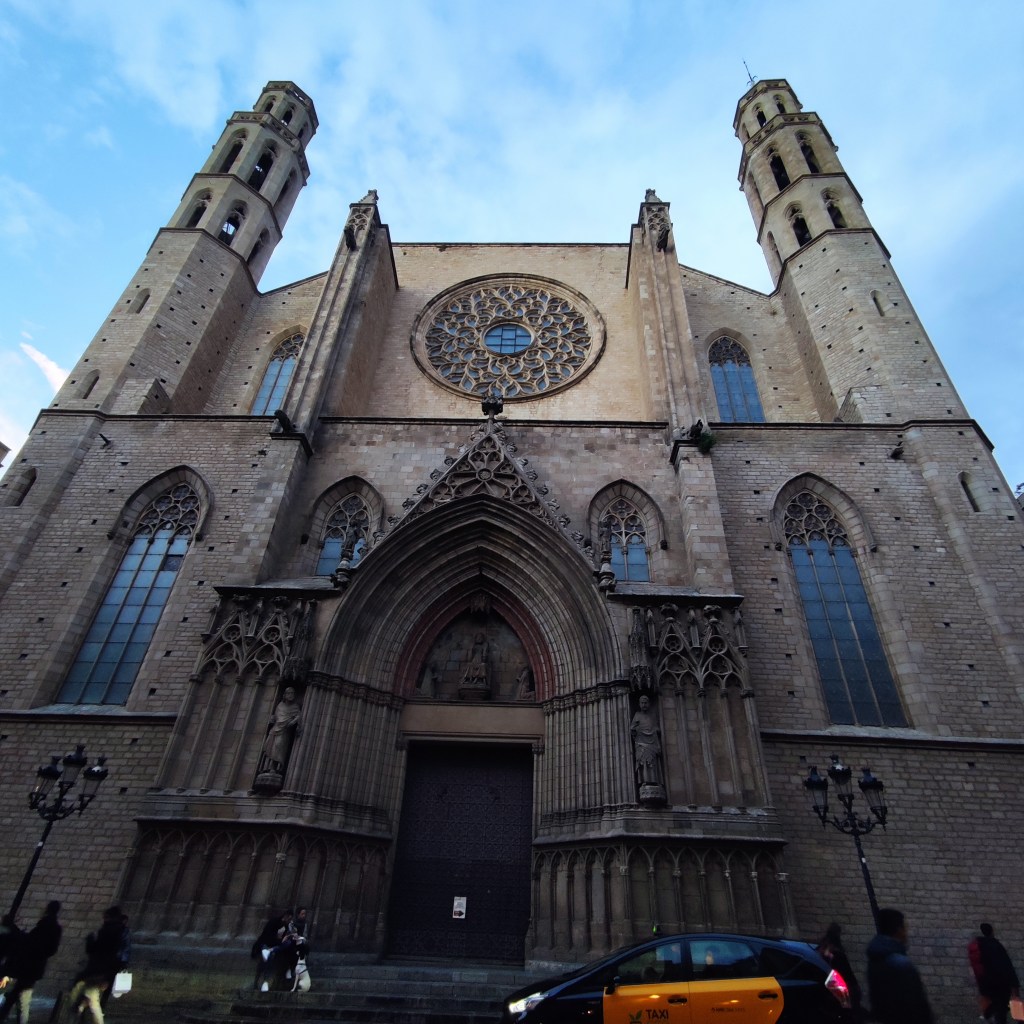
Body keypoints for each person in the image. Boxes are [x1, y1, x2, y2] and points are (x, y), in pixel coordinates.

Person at [866, 907, 933, 1024]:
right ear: (898, 930)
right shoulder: (901, 964)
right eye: (905, 928)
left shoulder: (875, 959)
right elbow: (916, 1005)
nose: (906, 933)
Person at [0, 900, 62, 1022]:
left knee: (18, 998)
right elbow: (50, 949)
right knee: (21, 998)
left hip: (28, 967)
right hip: (35, 969)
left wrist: (14, 929)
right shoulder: (56, 928)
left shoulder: (44, 925)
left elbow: (29, 943)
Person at [67, 906, 126, 1024]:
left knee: (79, 991)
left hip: (96, 969)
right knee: (92, 999)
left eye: (106, 917)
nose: (104, 919)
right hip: (104, 971)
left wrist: (90, 940)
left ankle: (75, 1010)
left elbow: (96, 950)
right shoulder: (120, 931)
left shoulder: (107, 931)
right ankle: (77, 1010)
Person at [969, 922, 1020, 1024]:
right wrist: (1014, 984)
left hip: (986, 987)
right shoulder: (995, 946)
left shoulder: (977, 946)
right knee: (1002, 1012)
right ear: (992, 931)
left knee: (996, 1011)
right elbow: (1006, 965)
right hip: (1000, 986)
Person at [817, 922, 862, 1019]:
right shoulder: (837, 953)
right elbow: (846, 972)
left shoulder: (823, 948)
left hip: (831, 984)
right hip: (841, 985)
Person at [261, 687, 302, 771]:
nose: (291, 695)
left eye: (293, 693)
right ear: (285, 695)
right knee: (270, 747)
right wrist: (272, 719)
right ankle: (269, 767)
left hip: (285, 731)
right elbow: (276, 717)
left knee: (278, 746)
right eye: (289, 693)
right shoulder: (280, 705)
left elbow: (298, 716)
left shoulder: (295, 707)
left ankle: (276, 768)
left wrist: (293, 721)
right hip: (275, 729)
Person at [251, 910, 293, 991]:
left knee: (287, 946)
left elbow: (283, 940)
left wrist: (282, 940)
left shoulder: (286, 926)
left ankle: (268, 981)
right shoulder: (274, 922)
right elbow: (267, 936)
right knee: (266, 960)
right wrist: (279, 940)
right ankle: (260, 982)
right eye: (289, 919)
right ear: (285, 916)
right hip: (266, 944)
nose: (289, 921)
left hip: (275, 947)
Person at [630, 695, 663, 788]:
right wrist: (637, 730)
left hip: (652, 742)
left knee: (653, 763)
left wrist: (656, 731)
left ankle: (656, 781)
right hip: (641, 743)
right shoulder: (637, 715)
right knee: (643, 762)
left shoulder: (652, 716)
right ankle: (644, 781)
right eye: (642, 703)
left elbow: (656, 728)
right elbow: (632, 728)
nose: (644, 705)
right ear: (639, 704)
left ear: (649, 704)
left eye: (646, 703)